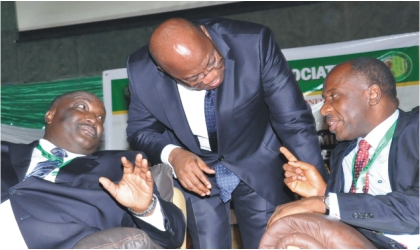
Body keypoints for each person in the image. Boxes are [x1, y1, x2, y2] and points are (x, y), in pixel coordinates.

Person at [126, 17, 327, 248]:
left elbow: (293, 120)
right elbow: (140, 131)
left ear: (207, 34)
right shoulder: (141, 72)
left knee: (268, 243)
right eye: (194, 78)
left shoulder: (253, 43)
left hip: (257, 161)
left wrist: (318, 193)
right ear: (164, 71)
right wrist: (173, 155)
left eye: (213, 62)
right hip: (197, 175)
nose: (212, 77)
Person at [1, 91, 185, 249]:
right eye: (82, 107)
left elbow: (170, 238)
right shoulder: (4, 152)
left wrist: (145, 209)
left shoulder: (119, 167)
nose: (93, 119)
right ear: (50, 115)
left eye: (100, 118)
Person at [267, 58, 419, 249]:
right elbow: (344, 213)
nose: (323, 109)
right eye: (324, 99)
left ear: (372, 94)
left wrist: (326, 202)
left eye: (334, 96)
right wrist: (321, 193)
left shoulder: (416, 129)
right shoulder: (343, 153)